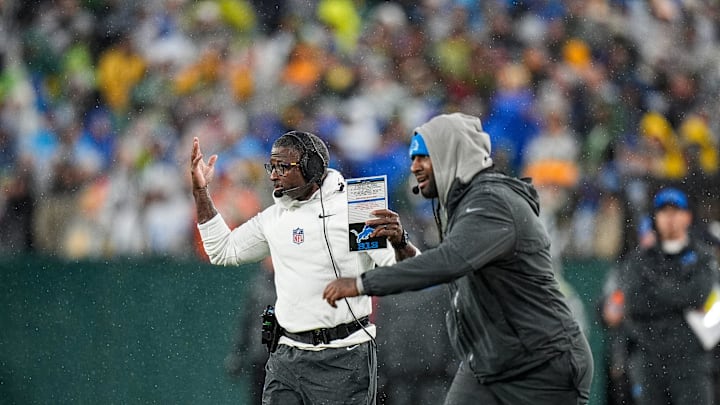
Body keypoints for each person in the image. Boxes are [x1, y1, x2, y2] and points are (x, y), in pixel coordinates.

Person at [323, 112, 593, 405]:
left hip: (542, 361)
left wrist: (363, 283)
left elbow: (448, 262)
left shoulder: (491, 200)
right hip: (491, 359)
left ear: (450, 155)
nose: (414, 167)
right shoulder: (467, 201)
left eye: (423, 158)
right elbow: (446, 266)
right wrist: (402, 244)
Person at [190, 130, 419, 405]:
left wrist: (401, 241)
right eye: (271, 166)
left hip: (344, 356)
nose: (274, 175)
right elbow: (221, 250)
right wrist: (201, 192)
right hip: (287, 356)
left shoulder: (356, 208)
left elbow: (408, 274)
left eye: (283, 167)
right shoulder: (274, 217)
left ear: (313, 167)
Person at [608, 187, 718, 405]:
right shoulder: (640, 258)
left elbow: (698, 295)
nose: (670, 218)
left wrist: (656, 293)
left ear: (687, 216)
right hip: (649, 359)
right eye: (664, 212)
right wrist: (679, 295)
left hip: (690, 361)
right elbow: (634, 301)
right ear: (655, 217)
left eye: (676, 211)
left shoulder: (703, 256)